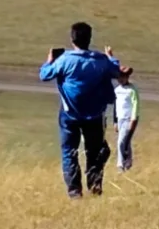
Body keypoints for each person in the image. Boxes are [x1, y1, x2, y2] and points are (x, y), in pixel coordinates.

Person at [38, 21, 125, 198]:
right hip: (94, 114)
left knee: (69, 152)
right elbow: (117, 72)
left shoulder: (64, 60)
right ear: (89, 38)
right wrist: (111, 58)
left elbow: (44, 75)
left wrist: (49, 61)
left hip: (70, 114)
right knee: (94, 152)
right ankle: (94, 186)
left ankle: (74, 191)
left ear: (72, 39)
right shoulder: (100, 61)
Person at [112, 65, 139, 172]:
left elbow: (136, 105)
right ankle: (128, 162)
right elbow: (115, 105)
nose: (120, 79)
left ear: (127, 77)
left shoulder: (132, 90)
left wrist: (134, 119)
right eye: (119, 77)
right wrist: (114, 121)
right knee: (126, 141)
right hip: (120, 119)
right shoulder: (117, 90)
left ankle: (120, 165)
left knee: (120, 141)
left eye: (123, 77)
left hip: (129, 118)